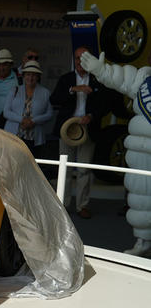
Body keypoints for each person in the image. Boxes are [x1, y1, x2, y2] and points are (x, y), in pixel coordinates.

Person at [80, 49, 151, 256]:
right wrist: (101, 70)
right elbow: (121, 79)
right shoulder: (144, 81)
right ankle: (143, 241)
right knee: (142, 196)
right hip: (142, 153)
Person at [50, 46, 113, 219]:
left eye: (83, 58)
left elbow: (106, 105)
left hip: (88, 128)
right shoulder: (66, 79)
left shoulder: (98, 79)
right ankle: (62, 205)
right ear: (74, 60)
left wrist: (91, 116)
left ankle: (82, 206)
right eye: (77, 58)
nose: (79, 62)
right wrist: (73, 89)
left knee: (84, 169)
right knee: (65, 169)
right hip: (67, 128)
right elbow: (54, 100)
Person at [2, 61, 53, 159]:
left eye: (34, 75)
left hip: (35, 137)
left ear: (38, 77)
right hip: (14, 136)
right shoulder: (14, 90)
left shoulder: (45, 92)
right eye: (28, 74)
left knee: (32, 164)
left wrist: (33, 121)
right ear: (23, 76)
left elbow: (50, 114)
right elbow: (6, 112)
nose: (30, 78)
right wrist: (22, 120)